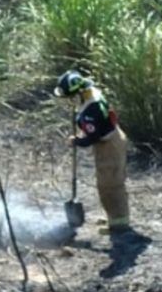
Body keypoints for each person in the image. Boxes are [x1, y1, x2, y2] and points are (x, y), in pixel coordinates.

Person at [54, 70, 134, 240]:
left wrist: (77, 141)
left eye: (70, 97)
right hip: (107, 142)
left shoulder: (91, 109)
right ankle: (113, 217)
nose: (69, 101)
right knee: (105, 183)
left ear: (78, 93)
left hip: (109, 145)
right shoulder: (89, 94)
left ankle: (119, 224)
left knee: (111, 185)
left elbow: (93, 136)